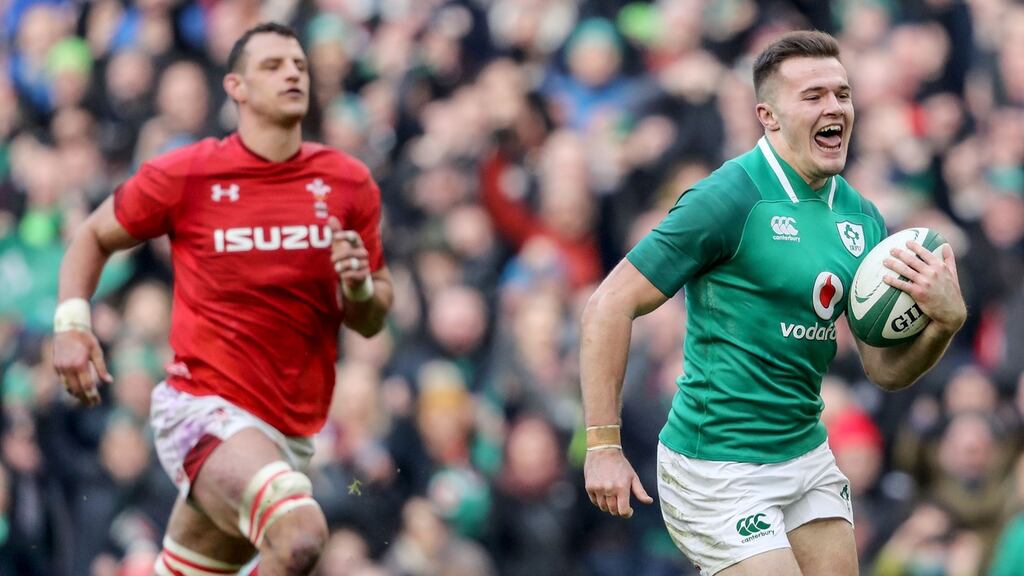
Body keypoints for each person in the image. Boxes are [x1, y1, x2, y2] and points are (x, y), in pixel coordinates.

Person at [580, 30, 966, 576]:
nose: (834, 107)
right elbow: (608, 305)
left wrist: (943, 324)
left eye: (842, 93)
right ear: (769, 116)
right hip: (715, 464)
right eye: (813, 96)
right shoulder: (729, 197)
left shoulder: (861, 218)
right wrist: (602, 446)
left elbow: (883, 369)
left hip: (805, 454)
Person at [52, 22, 393, 576]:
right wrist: (71, 323)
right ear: (235, 86)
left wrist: (357, 288)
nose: (292, 74)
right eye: (273, 65)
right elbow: (92, 235)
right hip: (203, 409)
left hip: (289, 430)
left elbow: (373, 318)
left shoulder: (348, 182)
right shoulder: (189, 173)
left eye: (300, 65)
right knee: (301, 536)